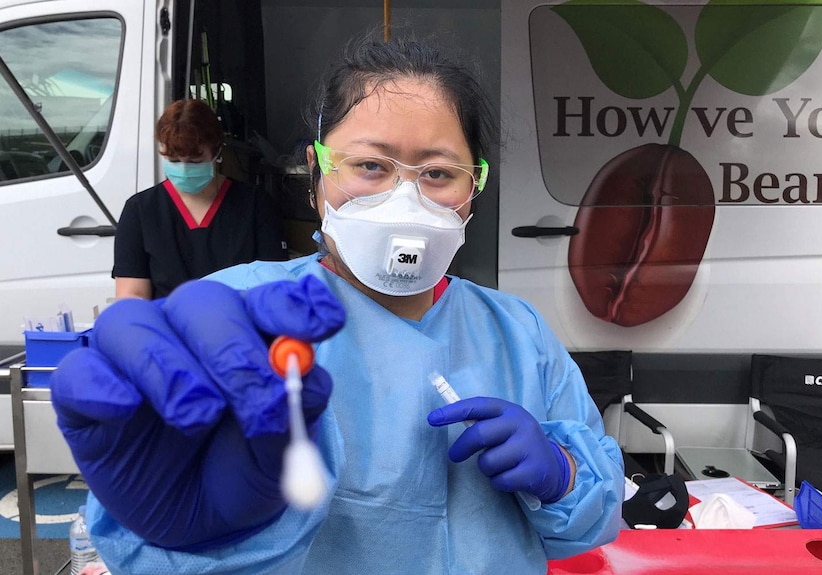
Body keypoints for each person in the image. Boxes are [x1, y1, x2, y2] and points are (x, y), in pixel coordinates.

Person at [50, 32, 624, 575]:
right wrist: (196, 532)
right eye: (370, 166)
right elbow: (141, 542)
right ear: (317, 170)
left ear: (474, 186)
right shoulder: (245, 315)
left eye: (438, 173)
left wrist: (563, 473)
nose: (405, 198)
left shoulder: (517, 332)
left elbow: (594, 521)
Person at [112, 98, 290, 299]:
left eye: (195, 161)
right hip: (167, 327)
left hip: (240, 324)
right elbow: (131, 296)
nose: (184, 168)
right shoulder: (140, 211)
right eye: (174, 161)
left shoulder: (256, 205)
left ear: (217, 151)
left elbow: (274, 287)